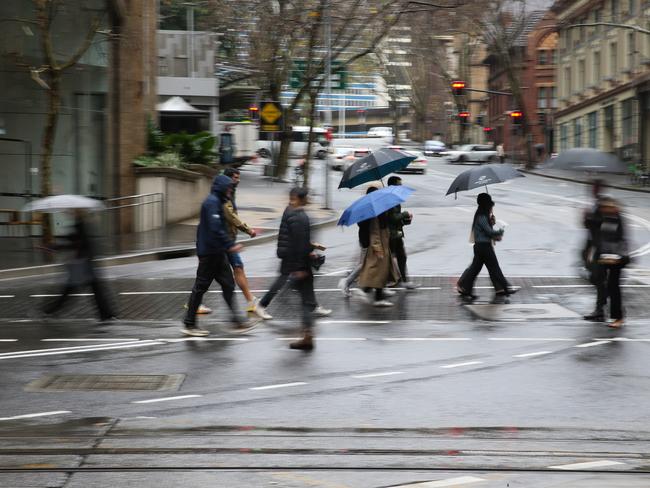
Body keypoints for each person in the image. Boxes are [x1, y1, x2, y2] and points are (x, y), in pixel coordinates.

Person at [182, 175, 254, 337]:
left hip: (217, 252)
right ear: (221, 187)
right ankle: (189, 324)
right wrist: (230, 245)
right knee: (200, 288)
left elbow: (205, 229)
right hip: (210, 253)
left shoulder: (217, 201)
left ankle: (237, 321)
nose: (230, 191)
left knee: (228, 285)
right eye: (228, 188)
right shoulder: (212, 203)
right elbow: (215, 229)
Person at [259, 187, 319, 350]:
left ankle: (307, 336)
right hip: (301, 265)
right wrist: (301, 266)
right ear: (298, 198)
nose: (308, 199)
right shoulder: (299, 217)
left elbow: (297, 242)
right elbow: (298, 243)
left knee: (306, 300)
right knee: (306, 301)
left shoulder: (294, 214)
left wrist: (310, 250)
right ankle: (307, 336)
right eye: (306, 197)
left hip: (299, 263)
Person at [43, 209, 116, 322]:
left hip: (82, 263)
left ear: (78, 213)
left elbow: (75, 243)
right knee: (93, 289)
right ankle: (106, 314)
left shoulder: (80, 225)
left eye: (72, 212)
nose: (69, 213)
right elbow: (76, 241)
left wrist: (54, 246)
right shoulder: (85, 224)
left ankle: (49, 310)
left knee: (70, 290)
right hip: (87, 262)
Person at [221, 167, 267, 318]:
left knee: (238, 268)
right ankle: (242, 309)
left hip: (228, 240)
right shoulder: (223, 194)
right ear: (228, 179)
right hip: (222, 241)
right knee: (208, 275)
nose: (238, 180)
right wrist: (248, 230)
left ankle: (250, 301)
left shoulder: (230, 192)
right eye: (235, 178)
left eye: (238, 177)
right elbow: (231, 216)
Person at [456, 193, 516, 302]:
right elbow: (488, 232)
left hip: (480, 247)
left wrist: (491, 222)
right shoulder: (482, 217)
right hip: (484, 247)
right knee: (494, 268)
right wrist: (500, 231)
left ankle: (466, 289)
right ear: (486, 205)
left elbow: (487, 229)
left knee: (475, 270)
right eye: (490, 205)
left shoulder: (482, 216)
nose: (491, 207)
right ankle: (506, 288)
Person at [584, 197, 629, 328]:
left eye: (607, 207)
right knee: (602, 281)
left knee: (613, 287)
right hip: (606, 256)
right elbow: (594, 230)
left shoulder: (616, 218)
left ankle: (618, 317)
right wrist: (587, 218)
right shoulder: (606, 217)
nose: (604, 210)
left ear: (614, 207)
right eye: (603, 208)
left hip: (616, 258)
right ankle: (607, 311)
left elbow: (616, 238)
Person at [356, 207, 400, 307]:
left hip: (383, 243)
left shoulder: (380, 211)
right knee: (377, 271)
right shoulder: (375, 214)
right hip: (379, 245)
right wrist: (377, 247)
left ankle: (375, 293)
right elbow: (374, 231)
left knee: (380, 271)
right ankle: (372, 294)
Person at [386, 176, 417, 289]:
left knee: (401, 257)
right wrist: (405, 214)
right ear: (393, 185)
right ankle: (394, 281)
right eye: (399, 184)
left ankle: (402, 280)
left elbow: (395, 219)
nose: (401, 186)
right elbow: (392, 218)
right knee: (392, 258)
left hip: (396, 233)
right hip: (391, 235)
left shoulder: (394, 197)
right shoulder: (390, 199)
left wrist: (405, 221)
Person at [582, 179, 605, 281]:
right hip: (591, 235)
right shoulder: (596, 202)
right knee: (585, 254)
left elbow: (600, 220)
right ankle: (592, 273)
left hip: (597, 237)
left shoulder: (602, 203)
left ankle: (595, 275)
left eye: (595, 188)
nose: (594, 190)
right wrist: (586, 218)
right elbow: (587, 224)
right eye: (593, 188)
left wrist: (589, 217)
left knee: (593, 257)